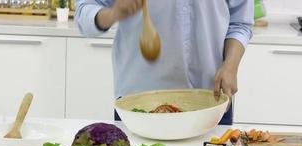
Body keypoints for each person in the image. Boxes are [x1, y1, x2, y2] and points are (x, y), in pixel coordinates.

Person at [76, 0, 254, 125]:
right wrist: (112, 14)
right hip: (139, 107)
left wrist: (230, 66)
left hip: (212, 102)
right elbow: (85, 10)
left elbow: (240, 23)